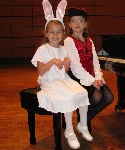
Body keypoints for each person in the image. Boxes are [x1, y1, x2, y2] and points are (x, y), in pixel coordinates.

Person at [31, 0, 92, 149]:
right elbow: (41, 71)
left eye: (59, 32)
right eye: (52, 32)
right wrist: (52, 61)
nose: (55, 35)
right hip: (49, 81)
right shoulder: (43, 49)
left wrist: (66, 64)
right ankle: (69, 132)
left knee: (82, 92)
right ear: (46, 33)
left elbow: (64, 71)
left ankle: (82, 125)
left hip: (62, 79)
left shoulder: (64, 48)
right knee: (68, 97)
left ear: (63, 33)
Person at [64, 7, 114, 131]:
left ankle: (83, 119)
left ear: (85, 24)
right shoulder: (69, 41)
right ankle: (82, 115)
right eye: (74, 21)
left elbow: (96, 62)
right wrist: (92, 81)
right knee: (97, 97)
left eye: (80, 21)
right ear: (69, 25)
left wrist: (98, 78)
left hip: (91, 76)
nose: (77, 24)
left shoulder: (89, 40)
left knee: (109, 97)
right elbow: (76, 66)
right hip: (76, 76)